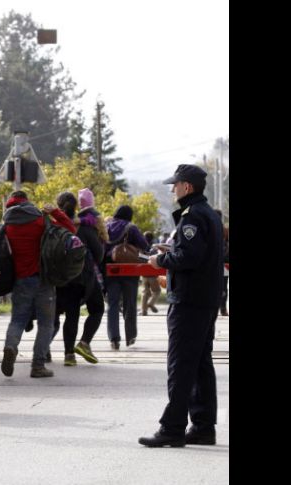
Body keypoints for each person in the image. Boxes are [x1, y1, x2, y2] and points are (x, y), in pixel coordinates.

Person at [139, 164, 223, 447]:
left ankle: (172, 427)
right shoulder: (207, 213)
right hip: (204, 299)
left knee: (181, 365)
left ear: (187, 187)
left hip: (189, 301)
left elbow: (189, 258)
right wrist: (172, 252)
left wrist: (159, 261)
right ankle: (202, 426)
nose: (173, 189)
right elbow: (193, 253)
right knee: (200, 364)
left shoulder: (192, 216)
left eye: (175, 185)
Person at [0, 191, 75, 378]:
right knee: (46, 324)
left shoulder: (7, 225)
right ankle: (38, 365)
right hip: (43, 279)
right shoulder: (40, 221)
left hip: (20, 280)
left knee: (17, 319)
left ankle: (10, 347)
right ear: (27, 201)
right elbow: (70, 230)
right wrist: (56, 212)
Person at [51, 190, 106, 366]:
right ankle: (81, 345)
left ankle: (57, 353)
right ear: (77, 207)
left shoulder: (53, 226)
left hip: (59, 278)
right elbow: (99, 254)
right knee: (95, 309)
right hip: (82, 277)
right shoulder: (85, 228)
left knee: (62, 316)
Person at [104, 205, 149, 349]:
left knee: (112, 304)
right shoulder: (131, 227)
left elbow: (101, 248)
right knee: (130, 303)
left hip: (111, 270)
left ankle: (114, 339)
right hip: (130, 270)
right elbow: (144, 245)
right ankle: (130, 336)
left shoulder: (106, 226)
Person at [141, 231, 162, 316]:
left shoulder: (141, 247)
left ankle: (144, 311)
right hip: (152, 273)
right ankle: (151, 303)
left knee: (145, 292)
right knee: (157, 291)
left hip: (144, 273)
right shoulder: (154, 248)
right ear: (152, 238)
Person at [214, 209, 229, 316]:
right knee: (223, 287)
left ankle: (214, 307)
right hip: (224, 263)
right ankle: (223, 308)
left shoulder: (208, 227)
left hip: (212, 262)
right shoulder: (225, 230)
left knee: (211, 286)